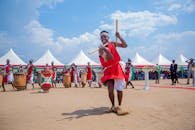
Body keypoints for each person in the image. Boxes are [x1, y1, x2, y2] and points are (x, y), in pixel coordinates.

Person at [98, 30, 128, 115]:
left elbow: (125, 45)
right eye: (101, 37)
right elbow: (108, 59)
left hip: (116, 67)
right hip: (108, 69)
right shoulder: (100, 50)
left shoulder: (113, 43)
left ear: (108, 37)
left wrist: (119, 37)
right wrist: (104, 49)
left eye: (105, 36)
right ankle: (112, 106)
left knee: (119, 89)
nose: (103, 38)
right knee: (110, 90)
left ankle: (119, 106)